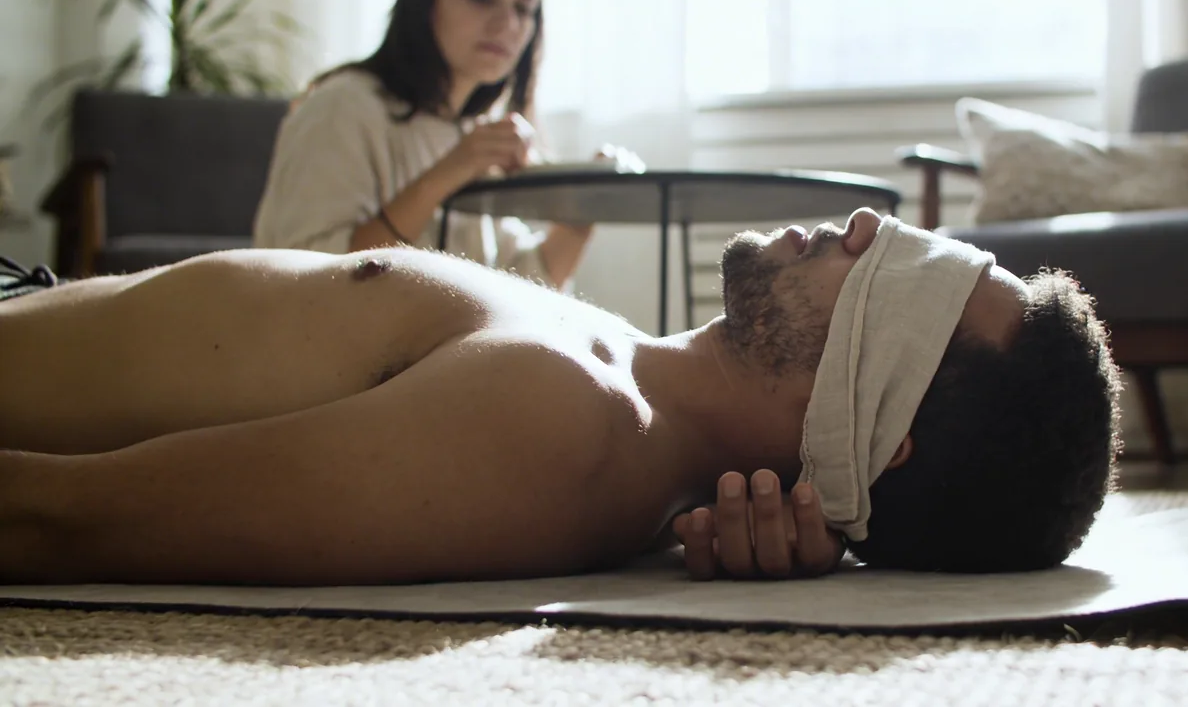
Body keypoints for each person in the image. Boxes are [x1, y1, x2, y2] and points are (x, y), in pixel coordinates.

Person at [0, 207, 1121, 586]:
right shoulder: (620, 386)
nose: (871, 226)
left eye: (911, 276)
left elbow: (53, 517)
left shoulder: (555, 430)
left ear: (880, 440)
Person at [253, 0, 613, 290]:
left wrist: (582, 215)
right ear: (425, 1)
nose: (507, 23)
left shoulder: (474, 130)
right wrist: (451, 170)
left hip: (455, 346)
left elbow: (516, 289)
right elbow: (314, 279)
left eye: (524, 8)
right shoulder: (341, 107)